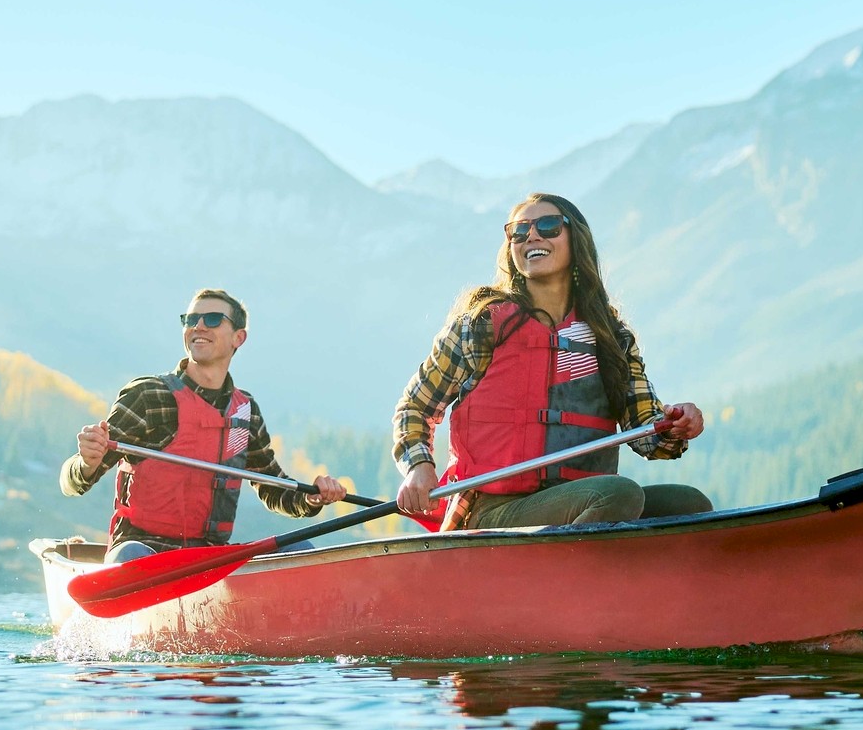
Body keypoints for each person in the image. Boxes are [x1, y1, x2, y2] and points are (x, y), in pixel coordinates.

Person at [392, 193, 711, 531]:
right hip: (493, 511)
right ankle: (565, 577)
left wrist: (676, 424)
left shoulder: (610, 336)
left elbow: (647, 433)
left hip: (582, 500)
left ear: (577, 239)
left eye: (548, 225)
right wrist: (419, 467)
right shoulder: (481, 324)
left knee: (689, 504)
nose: (532, 236)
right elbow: (415, 407)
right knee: (618, 494)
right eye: (519, 230)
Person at [62, 288, 347, 562]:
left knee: (301, 549)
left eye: (212, 319)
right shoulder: (148, 396)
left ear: (239, 337)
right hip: (140, 553)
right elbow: (72, 483)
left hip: (207, 558)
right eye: (190, 320)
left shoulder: (245, 412)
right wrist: (88, 462)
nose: (198, 326)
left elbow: (275, 490)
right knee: (132, 555)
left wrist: (312, 498)